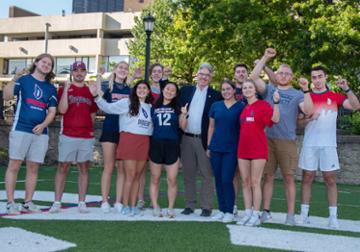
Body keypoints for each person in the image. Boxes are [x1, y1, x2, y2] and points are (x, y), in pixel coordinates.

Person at [251, 48, 313, 225]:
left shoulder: (297, 94)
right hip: (267, 139)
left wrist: (306, 90)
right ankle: (265, 211)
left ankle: (291, 215)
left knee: (288, 178)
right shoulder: (269, 90)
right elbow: (254, 77)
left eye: (287, 73)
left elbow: (308, 111)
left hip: (287, 141)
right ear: (276, 76)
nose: (284, 76)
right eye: (281, 73)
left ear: (291, 77)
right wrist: (265, 57)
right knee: (268, 177)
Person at [298, 66, 360, 228]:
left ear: (326, 77)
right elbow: (302, 119)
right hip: (310, 144)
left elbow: (355, 106)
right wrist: (308, 119)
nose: (317, 80)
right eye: (314, 77)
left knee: (330, 180)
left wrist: (347, 88)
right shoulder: (306, 95)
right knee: (307, 178)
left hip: (328, 145)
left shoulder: (336, 96)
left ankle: (333, 217)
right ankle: (304, 215)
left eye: (320, 76)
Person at [3, 53, 57, 214]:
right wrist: (14, 78)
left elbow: (52, 111)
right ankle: (11, 202)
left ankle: (28, 202)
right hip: (21, 128)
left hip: (41, 132)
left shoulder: (51, 88)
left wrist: (43, 125)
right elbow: (7, 96)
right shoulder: (24, 80)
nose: (46, 65)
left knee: (33, 167)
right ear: (36, 62)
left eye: (50, 64)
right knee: (14, 165)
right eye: (44, 62)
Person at [90, 80, 153, 216]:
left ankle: (133, 205)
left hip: (144, 141)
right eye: (139, 88)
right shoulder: (127, 102)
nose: (142, 90)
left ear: (148, 91)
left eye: (145, 88)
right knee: (129, 175)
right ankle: (124, 205)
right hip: (129, 140)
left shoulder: (150, 107)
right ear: (135, 90)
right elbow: (108, 108)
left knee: (137, 175)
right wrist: (96, 97)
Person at [49, 61, 98, 213]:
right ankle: (57, 202)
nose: (79, 73)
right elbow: (62, 110)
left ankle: (82, 202)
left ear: (85, 73)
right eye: (76, 70)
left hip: (85, 136)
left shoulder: (89, 91)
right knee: (63, 167)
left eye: (82, 70)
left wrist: (88, 129)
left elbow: (93, 114)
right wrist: (65, 90)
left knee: (84, 167)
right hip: (68, 134)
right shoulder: (64, 89)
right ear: (72, 72)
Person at [179, 63, 222, 217]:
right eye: (201, 74)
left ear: (210, 78)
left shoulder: (216, 95)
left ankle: (206, 207)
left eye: (207, 75)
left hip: (204, 140)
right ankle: (189, 205)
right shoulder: (185, 91)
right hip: (186, 139)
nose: (203, 77)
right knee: (188, 174)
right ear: (197, 75)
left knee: (206, 175)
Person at [236, 79, 280, 226]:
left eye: (250, 87)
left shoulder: (263, 105)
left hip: (258, 149)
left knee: (255, 182)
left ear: (255, 90)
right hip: (243, 149)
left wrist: (276, 103)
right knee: (246, 182)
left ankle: (256, 214)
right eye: (244, 88)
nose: (247, 89)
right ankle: (247, 213)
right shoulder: (243, 107)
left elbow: (275, 119)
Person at [207, 79, 245, 223]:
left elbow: (243, 129)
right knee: (217, 180)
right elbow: (211, 127)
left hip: (232, 149)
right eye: (223, 89)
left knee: (226, 179)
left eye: (228, 89)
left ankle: (229, 210)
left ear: (234, 90)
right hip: (216, 148)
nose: (226, 92)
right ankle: (222, 209)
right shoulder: (215, 105)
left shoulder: (240, 106)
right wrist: (209, 146)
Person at [149, 82, 187, 218]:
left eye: (173, 90)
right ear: (163, 90)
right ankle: (155, 206)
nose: (169, 91)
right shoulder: (154, 107)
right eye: (167, 88)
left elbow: (183, 127)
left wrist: (183, 114)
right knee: (155, 178)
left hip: (172, 145)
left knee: (172, 179)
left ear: (176, 94)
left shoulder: (177, 108)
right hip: (156, 145)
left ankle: (170, 207)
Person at [98, 61, 131, 213]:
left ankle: (118, 201)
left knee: (122, 168)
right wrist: (98, 77)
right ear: (115, 70)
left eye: (126, 68)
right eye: (120, 67)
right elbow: (98, 99)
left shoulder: (130, 90)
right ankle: (105, 201)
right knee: (109, 166)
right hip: (110, 129)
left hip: (124, 131)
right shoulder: (107, 86)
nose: (123, 70)